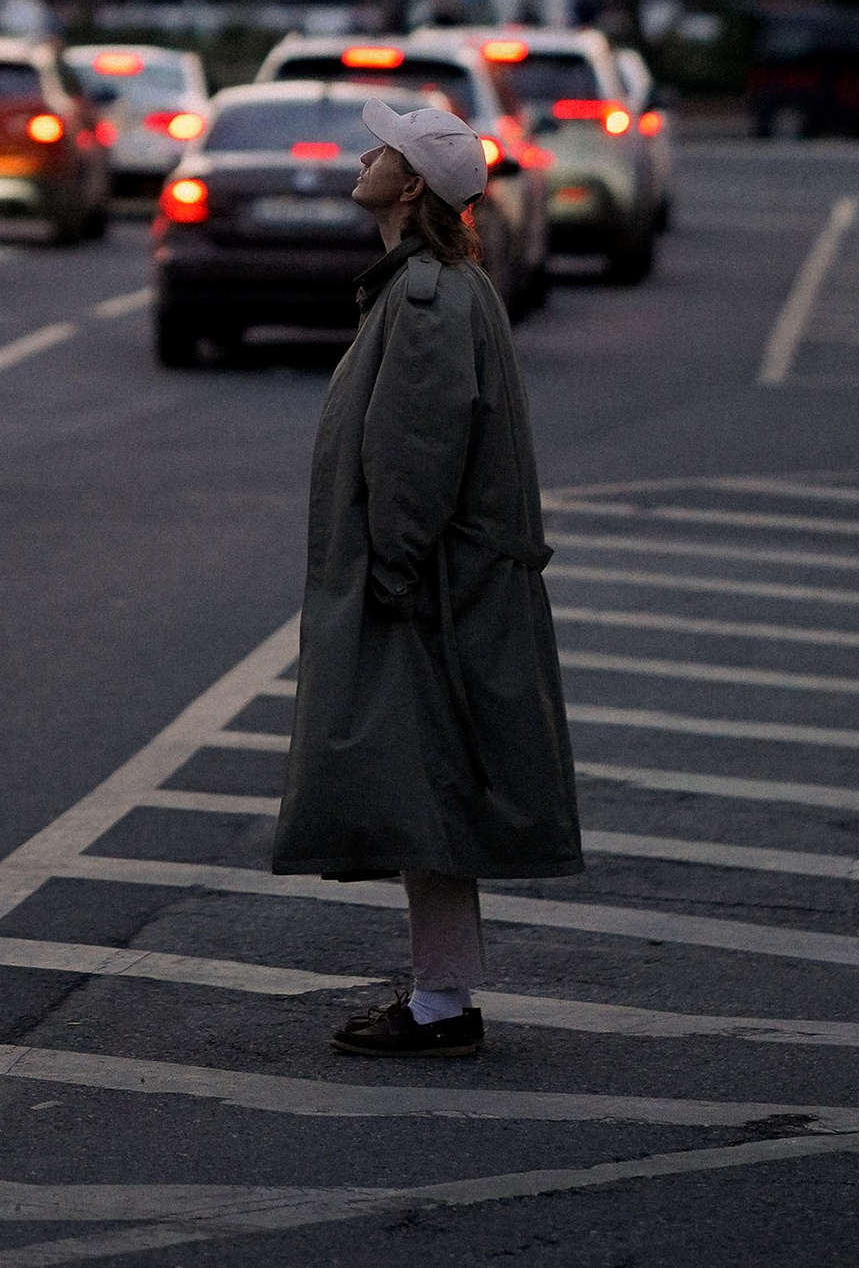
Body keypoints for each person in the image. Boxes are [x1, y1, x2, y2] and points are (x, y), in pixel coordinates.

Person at [271, 93, 581, 1057]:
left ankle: (444, 1006)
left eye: (384, 149)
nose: (364, 155)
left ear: (409, 185)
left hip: (433, 593)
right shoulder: (432, 286)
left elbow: (414, 453)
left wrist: (394, 574)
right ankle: (441, 991)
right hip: (441, 586)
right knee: (427, 794)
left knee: (429, 792)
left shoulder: (426, 297)